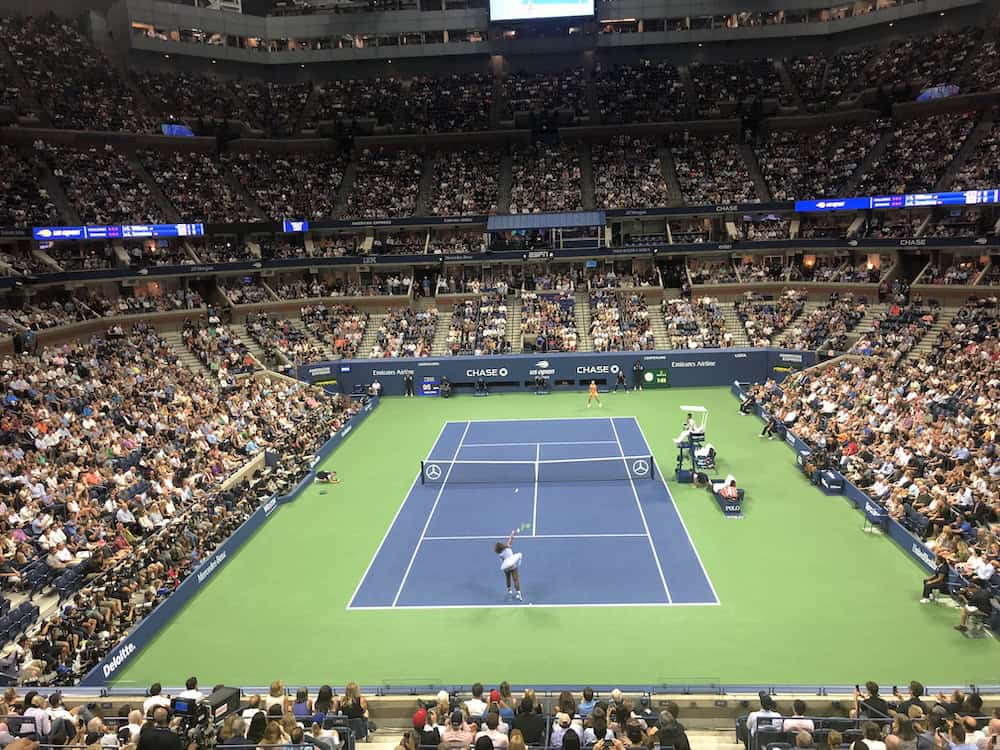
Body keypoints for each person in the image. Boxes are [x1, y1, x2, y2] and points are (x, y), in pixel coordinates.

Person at [495, 531, 523, 601]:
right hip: (513, 565)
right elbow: (510, 539)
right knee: (516, 579)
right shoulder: (508, 546)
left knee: (507, 578)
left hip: (506, 567)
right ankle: (518, 594)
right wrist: (513, 533)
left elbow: (503, 560)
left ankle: (509, 591)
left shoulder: (500, 554)